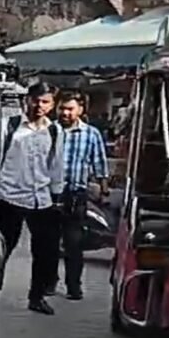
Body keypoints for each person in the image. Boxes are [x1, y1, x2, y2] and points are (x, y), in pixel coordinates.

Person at [0, 80, 64, 316]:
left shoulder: (54, 131)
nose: (39, 106)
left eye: (45, 102)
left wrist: (57, 195)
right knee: (2, 248)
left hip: (41, 198)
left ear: (52, 105)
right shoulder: (10, 125)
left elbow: (56, 165)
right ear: (27, 100)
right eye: (36, 100)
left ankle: (37, 297)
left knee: (45, 252)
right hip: (9, 196)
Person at [48, 92, 110, 301]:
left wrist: (103, 189)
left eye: (70, 109)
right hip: (50, 194)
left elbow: (99, 163)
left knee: (74, 244)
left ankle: (74, 286)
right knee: (49, 243)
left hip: (76, 196)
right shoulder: (49, 131)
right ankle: (48, 283)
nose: (65, 113)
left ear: (80, 110)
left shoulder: (90, 134)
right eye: (62, 108)